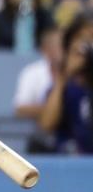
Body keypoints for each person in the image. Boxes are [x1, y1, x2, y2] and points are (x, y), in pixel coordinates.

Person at [39, 10, 93, 153]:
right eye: (84, 39)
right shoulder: (65, 86)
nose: (89, 46)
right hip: (70, 164)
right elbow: (47, 125)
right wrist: (64, 76)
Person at [13, 26, 63, 120]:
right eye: (60, 45)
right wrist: (54, 110)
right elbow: (20, 108)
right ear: (45, 49)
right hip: (36, 131)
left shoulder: (78, 73)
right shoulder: (32, 73)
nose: (64, 50)